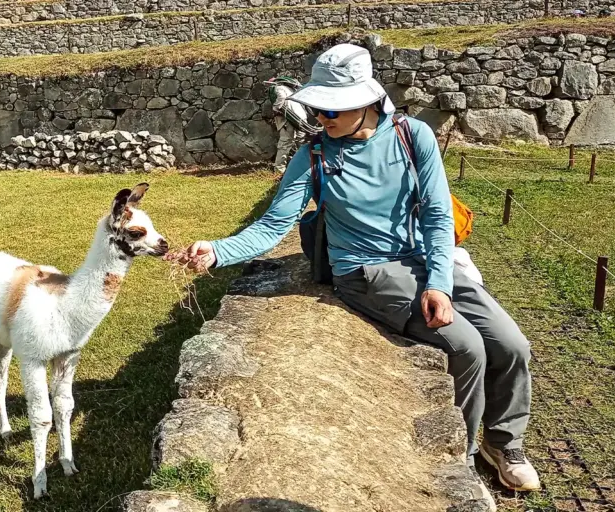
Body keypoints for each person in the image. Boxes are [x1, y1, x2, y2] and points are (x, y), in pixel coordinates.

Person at [167, 43, 541, 492]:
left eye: (332, 111)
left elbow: (439, 215)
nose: (322, 119)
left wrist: (439, 282)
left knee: (513, 344)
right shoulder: (315, 155)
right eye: (318, 110)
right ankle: (457, 457)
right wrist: (217, 250)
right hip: (364, 273)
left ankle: (502, 444)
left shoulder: (412, 135)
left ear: (367, 104)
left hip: (424, 260)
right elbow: (273, 225)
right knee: (466, 348)